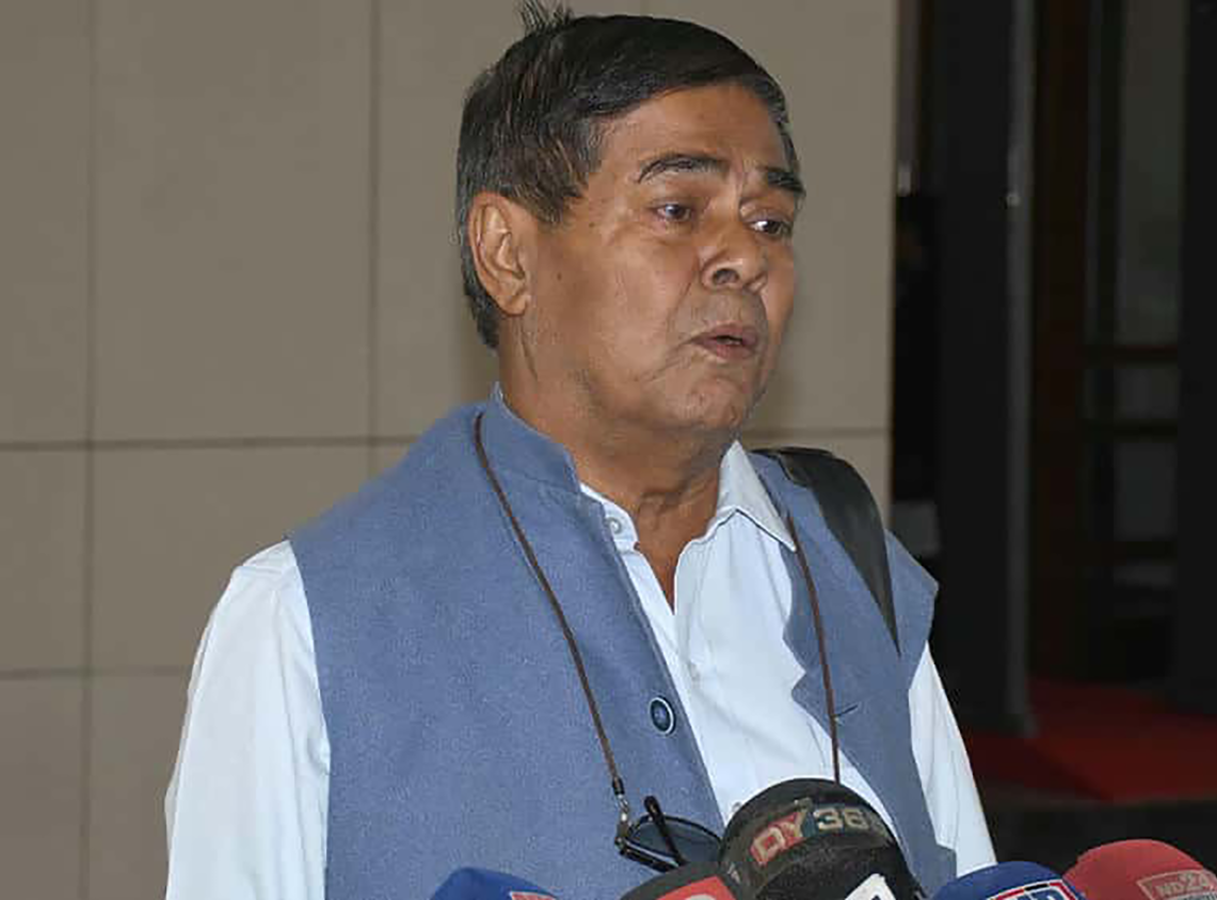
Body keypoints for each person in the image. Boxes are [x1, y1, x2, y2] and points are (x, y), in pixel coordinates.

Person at [163, 4, 995, 898]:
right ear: (507, 254)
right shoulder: (306, 624)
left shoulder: (852, 570)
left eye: (770, 223)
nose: (743, 260)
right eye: (677, 209)